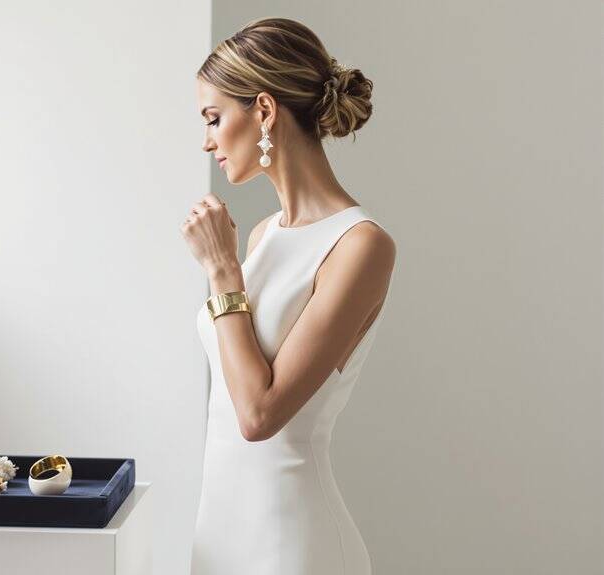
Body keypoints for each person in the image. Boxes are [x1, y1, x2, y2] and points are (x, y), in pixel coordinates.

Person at [181, 17, 396, 575]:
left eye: (214, 118)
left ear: (265, 111)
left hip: (293, 545)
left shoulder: (360, 246)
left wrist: (223, 273)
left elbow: (259, 416)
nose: (207, 140)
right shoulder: (263, 237)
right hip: (220, 533)